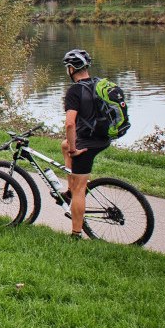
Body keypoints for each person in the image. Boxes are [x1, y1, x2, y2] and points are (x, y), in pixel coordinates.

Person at [60, 48, 109, 239]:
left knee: (81, 187)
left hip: (86, 144)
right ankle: (70, 189)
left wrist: (74, 149)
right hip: (103, 138)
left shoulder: (75, 90)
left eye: (67, 67)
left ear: (71, 68)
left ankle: (76, 234)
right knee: (64, 145)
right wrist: (69, 147)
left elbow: (70, 123)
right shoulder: (98, 84)